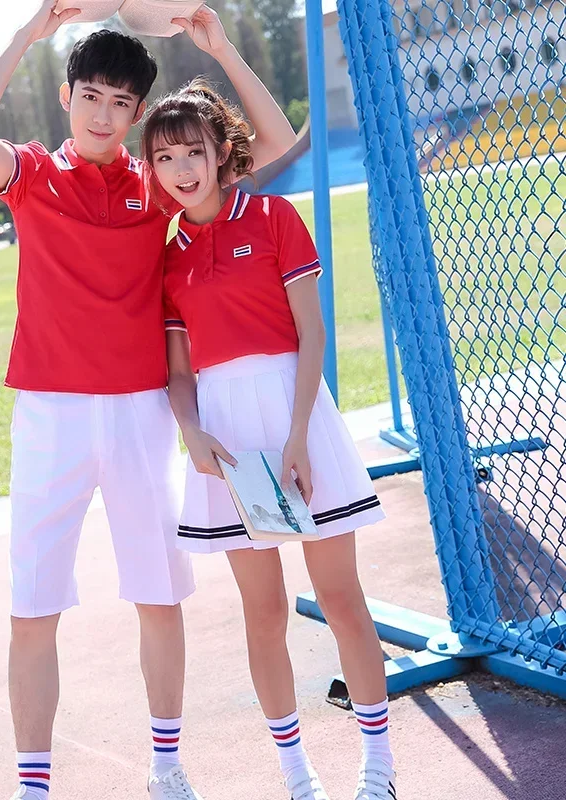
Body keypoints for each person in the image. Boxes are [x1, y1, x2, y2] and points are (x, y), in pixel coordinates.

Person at [0, 3, 297, 798]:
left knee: (158, 593)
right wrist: (28, 35)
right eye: (91, 97)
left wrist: (217, 44)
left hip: (141, 413)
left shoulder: (156, 184)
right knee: (32, 607)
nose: (105, 115)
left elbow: (271, 143)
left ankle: (166, 768)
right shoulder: (31, 173)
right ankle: (33, 784)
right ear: (67, 96)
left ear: (139, 113)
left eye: (121, 104)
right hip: (50, 416)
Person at [141, 81, 397, 800]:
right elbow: (180, 373)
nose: (183, 168)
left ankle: (378, 771)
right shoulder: (169, 258)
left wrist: (298, 434)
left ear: (223, 150)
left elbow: (311, 331)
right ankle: (297, 777)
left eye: (195, 149)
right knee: (263, 612)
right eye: (165, 157)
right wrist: (191, 432)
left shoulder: (275, 216)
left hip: (298, 420)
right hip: (226, 442)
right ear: (153, 169)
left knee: (341, 599)